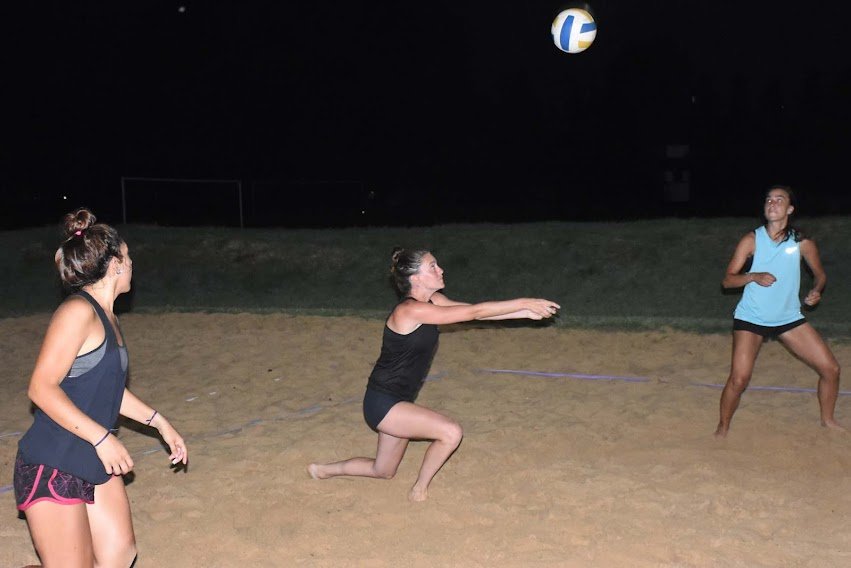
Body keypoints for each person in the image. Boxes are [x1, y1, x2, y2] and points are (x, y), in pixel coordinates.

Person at [308, 247, 560, 501]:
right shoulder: (408, 311)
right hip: (382, 403)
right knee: (451, 432)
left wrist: (522, 314)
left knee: (382, 470)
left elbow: (470, 310)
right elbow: (476, 312)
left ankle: (323, 470)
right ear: (415, 278)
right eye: (432, 267)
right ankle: (420, 488)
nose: (441, 270)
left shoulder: (433, 301)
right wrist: (523, 302)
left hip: (399, 400)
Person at [14, 208, 188, 568]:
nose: (133, 264)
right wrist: (102, 438)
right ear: (115, 265)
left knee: (119, 555)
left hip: (91, 455)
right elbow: (41, 388)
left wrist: (159, 422)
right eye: (128, 256)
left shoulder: (108, 317)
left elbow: (107, 391)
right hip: (55, 460)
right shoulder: (77, 312)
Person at [714, 186, 842, 438]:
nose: (772, 203)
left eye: (779, 199)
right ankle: (723, 427)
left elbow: (820, 275)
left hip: (789, 318)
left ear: (790, 209)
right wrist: (753, 276)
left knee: (831, 369)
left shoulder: (801, 242)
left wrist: (816, 290)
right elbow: (727, 281)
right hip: (751, 318)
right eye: (768, 200)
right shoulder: (751, 240)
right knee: (739, 379)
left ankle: (827, 419)